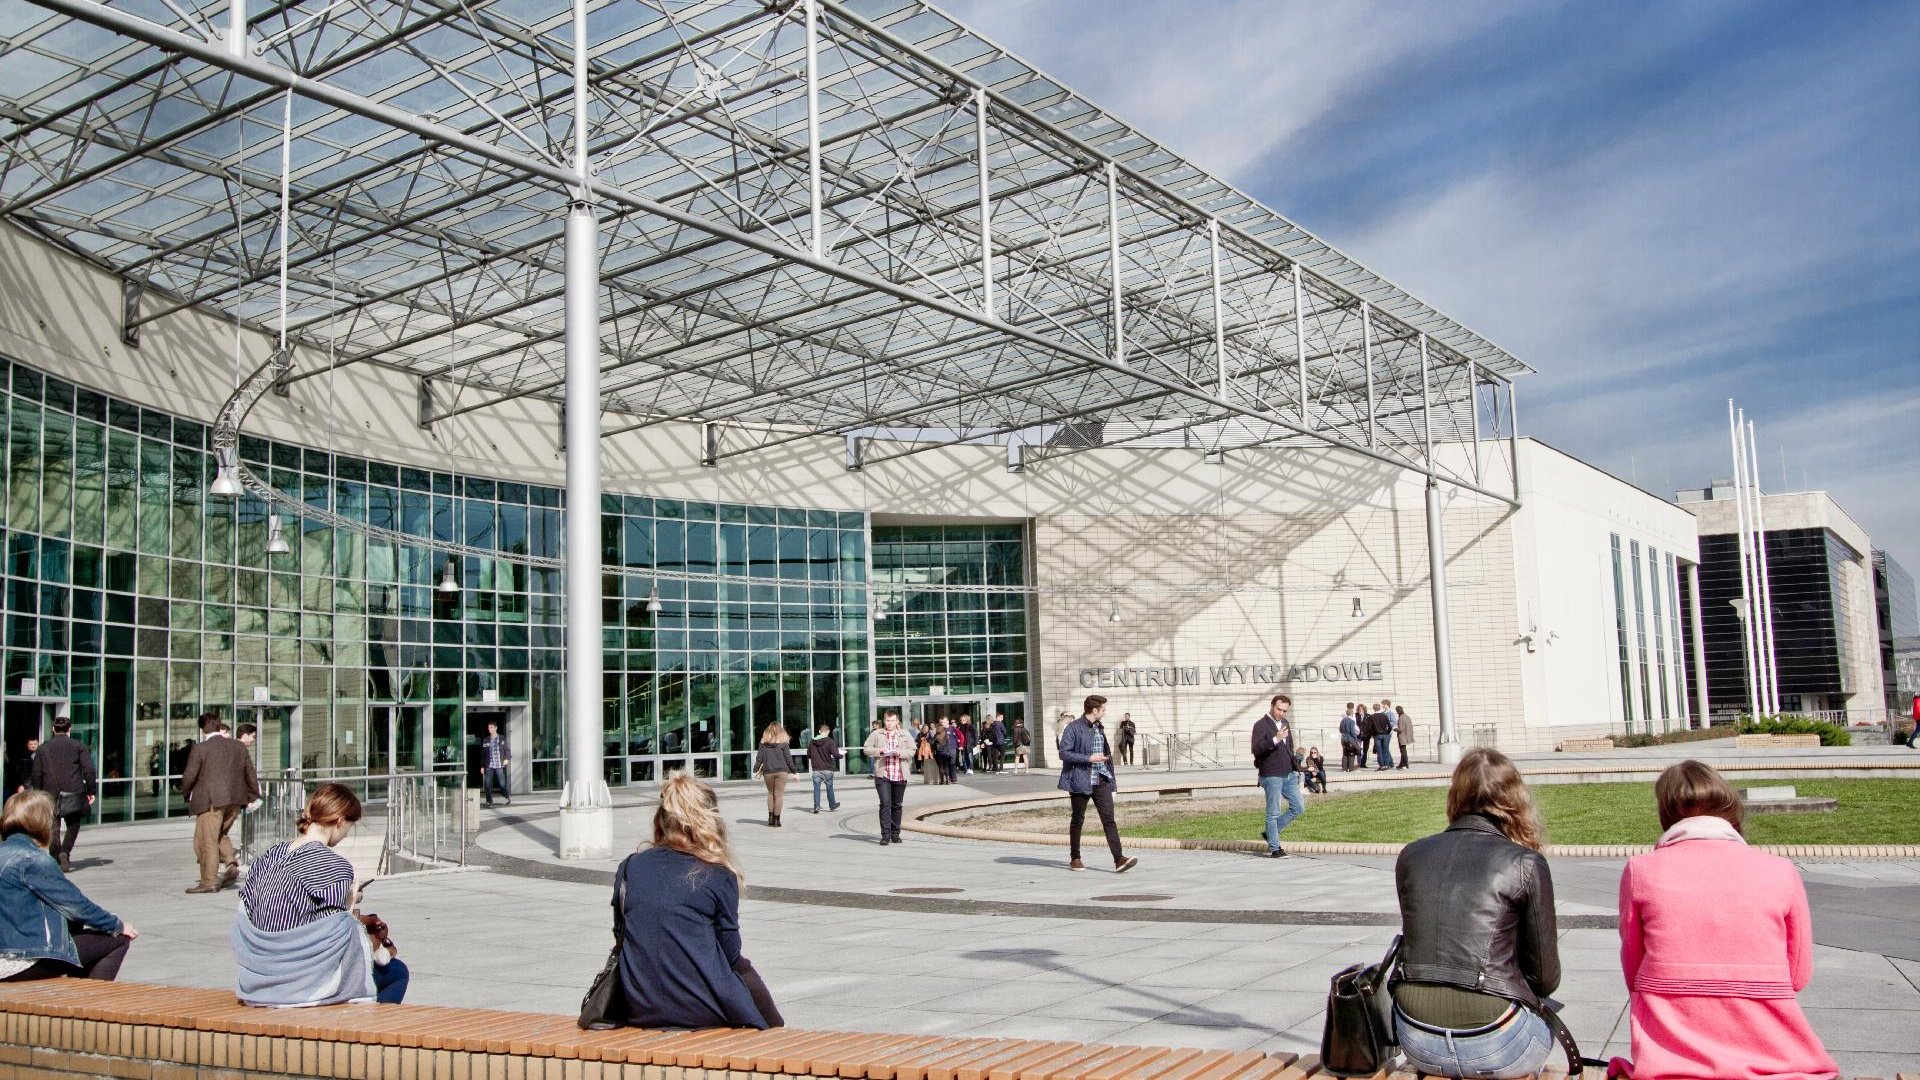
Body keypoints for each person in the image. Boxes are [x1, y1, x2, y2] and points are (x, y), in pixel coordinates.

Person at [1612, 761, 1837, 1079]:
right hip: (1773, 1055)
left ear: (1666, 812)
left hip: (1671, 1056)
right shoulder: (1780, 870)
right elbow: (1797, 975)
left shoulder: (1641, 870)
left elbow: (1634, 971)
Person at [1392, 748, 1561, 1078]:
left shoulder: (1411, 856)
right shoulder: (1525, 863)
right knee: (1543, 1020)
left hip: (1414, 1035)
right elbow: (1545, 978)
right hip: (1499, 1041)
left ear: (1456, 795)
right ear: (1515, 799)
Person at [617, 772, 781, 1029]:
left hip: (637, 1005)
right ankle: (778, 1036)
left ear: (662, 818)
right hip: (699, 1010)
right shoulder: (717, 874)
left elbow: (621, 934)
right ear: (708, 821)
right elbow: (730, 953)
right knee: (749, 980)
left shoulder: (630, 867)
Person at [234, 784, 408, 1006]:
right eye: (349, 827)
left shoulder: (267, 858)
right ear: (339, 821)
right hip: (302, 983)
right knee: (397, 972)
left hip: (257, 980)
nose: (345, 835)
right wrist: (351, 902)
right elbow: (335, 938)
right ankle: (364, 1033)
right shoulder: (334, 866)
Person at [0, 791, 136, 981]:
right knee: (118, 941)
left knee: (79, 937)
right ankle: (89, 1005)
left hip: (6, 957)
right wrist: (117, 925)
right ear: (42, 821)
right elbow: (76, 906)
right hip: (24, 960)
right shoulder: (33, 860)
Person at [1056, 695, 1137, 874]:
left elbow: (1107, 759)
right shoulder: (1073, 728)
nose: (1105, 712)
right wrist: (1088, 758)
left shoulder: (1099, 727)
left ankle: (1119, 859)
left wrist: (1113, 784)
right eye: (1103, 709)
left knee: (1109, 819)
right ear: (1094, 710)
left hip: (1101, 780)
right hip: (1080, 780)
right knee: (1078, 819)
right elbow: (1063, 753)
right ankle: (1075, 858)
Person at [181, 713, 259, 894]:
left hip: (211, 801)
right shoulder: (238, 747)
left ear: (202, 729)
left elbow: (189, 776)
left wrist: (186, 794)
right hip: (235, 800)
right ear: (218, 726)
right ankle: (231, 863)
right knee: (220, 834)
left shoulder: (201, 749)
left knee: (205, 840)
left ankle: (209, 881)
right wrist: (252, 796)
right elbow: (250, 772)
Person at [27, 717, 95, 873]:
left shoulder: (43, 748)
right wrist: (91, 791)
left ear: (53, 729)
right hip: (73, 791)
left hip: (49, 792)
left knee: (53, 826)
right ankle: (65, 851)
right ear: (69, 729)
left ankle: (56, 856)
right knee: (74, 823)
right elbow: (89, 770)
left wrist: (37, 793)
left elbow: (36, 774)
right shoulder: (78, 746)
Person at [1251, 694, 1304, 858]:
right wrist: (1275, 739)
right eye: (1278, 709)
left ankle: (1270, 832)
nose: (1281, 713)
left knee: (1299, 807)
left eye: (1284, 711)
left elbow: (1289, 745)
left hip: (1288, 774)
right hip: (1271, 774)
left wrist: (1295, 766)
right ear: (1272, 706)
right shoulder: (1261, 725)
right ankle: (1275, 848)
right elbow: (1257, 749)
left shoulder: (1285, 723)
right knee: (1273, 812)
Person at [863, 712, 910, 844]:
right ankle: (885, 835)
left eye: (892, 720)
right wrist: (879, 751)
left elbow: (912, 749)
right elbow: (866, 749)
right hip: (883, 774)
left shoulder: (904, 734)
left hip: (900, 774)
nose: (889, 723)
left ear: (897, 721)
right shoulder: (877, 734)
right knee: (885, 804)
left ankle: (896, 833)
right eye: (887, 720)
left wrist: (900, 753)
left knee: (897, 805)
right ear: (884, 721)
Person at [754, 723, 794, 828]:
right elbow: (788, 758)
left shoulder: (763, 742)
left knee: (771, 793)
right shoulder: (784, 742)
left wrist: (755, 769)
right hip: (782, 771)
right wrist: (794, 771)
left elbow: (759, 757)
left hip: (768, 771)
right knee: (779, 795)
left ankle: (770, 819)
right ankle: (777, 821)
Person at [806, 724, 841, 814]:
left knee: (816, 788)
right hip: (827, 768)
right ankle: (832, 805)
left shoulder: (812, 742)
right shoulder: (830, 741)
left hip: (816, 769)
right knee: (829, 787)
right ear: (828, 731)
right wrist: (842, 755)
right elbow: (836, 754)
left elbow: (809, 755)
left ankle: (817, 806)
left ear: (819, 731)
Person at [479, 721, 511, 808]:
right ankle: (489, 801)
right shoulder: (486, 740)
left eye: (492, 727)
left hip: (499, 765)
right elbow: (483, 754)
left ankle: (506, 796)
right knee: (487, 784)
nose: (490, 729)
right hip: (489, 765)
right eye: (489, 728)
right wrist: (482, 766)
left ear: (496, 728)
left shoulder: (501, 738)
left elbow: (507, 750)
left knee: (502, 784)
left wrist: (507, 759)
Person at [1369, 701, 1396, 771]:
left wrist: (1372, 734)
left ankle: (1382, 765)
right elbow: (1389, 726)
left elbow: (1370, 727)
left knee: (1379, 751)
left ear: (1373, 709)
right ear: (1379, 708)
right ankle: (1387, 764)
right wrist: (1388, 732)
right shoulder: (1384, 715)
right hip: (1386, 735)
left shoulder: (1372, 717)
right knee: (1386, 750)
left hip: (1377, 735)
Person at [1339, 704, 1361, 772]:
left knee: (1345, 753)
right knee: (1351, 753)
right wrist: (1355, 739)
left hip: (1343, 738)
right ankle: (1351, 768)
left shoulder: (1342, 721)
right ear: (1351, 714)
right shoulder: (1352, 721)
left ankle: (1344, 768)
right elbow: (1352, 732)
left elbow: (1340, 729)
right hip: (1349, 738)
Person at [936, 718, 957, 784]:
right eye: (942, 722)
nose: (943, 723)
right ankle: (949, 779)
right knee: (947, 765)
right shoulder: (941, 730)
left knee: (952, 763)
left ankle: (953, 778)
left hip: (952, 748)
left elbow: (960, 736)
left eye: (944, 722)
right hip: (945, 750)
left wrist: (960, 744)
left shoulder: (953, 728)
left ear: (948, 722)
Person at [1395, 705, 1414, 770]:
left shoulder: (1401, 718)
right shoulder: (1407, 717)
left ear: (1397, 711)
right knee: (1403, 750)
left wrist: (1394, 729)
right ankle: (1401, 764)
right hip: (1407, 735)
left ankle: (1405, 764)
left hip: (1402, 736)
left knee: (1403, 751)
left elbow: (1400, 729)